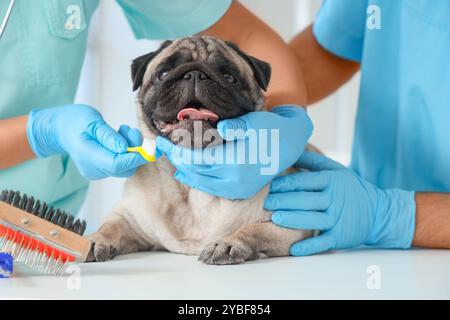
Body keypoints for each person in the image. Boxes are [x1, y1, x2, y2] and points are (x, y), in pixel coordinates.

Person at [158, 0, 450, 255]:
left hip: (389, 223)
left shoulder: (373, 213)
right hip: (354, 223)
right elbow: (333, 48)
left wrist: (391, 215)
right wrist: (262, 112)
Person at [0, 1, 312, 214]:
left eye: (223, 76)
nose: (194, 82)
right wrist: (40, 133)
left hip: (42, 231)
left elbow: (246, 34)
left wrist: (288, 118)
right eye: (166, 75)